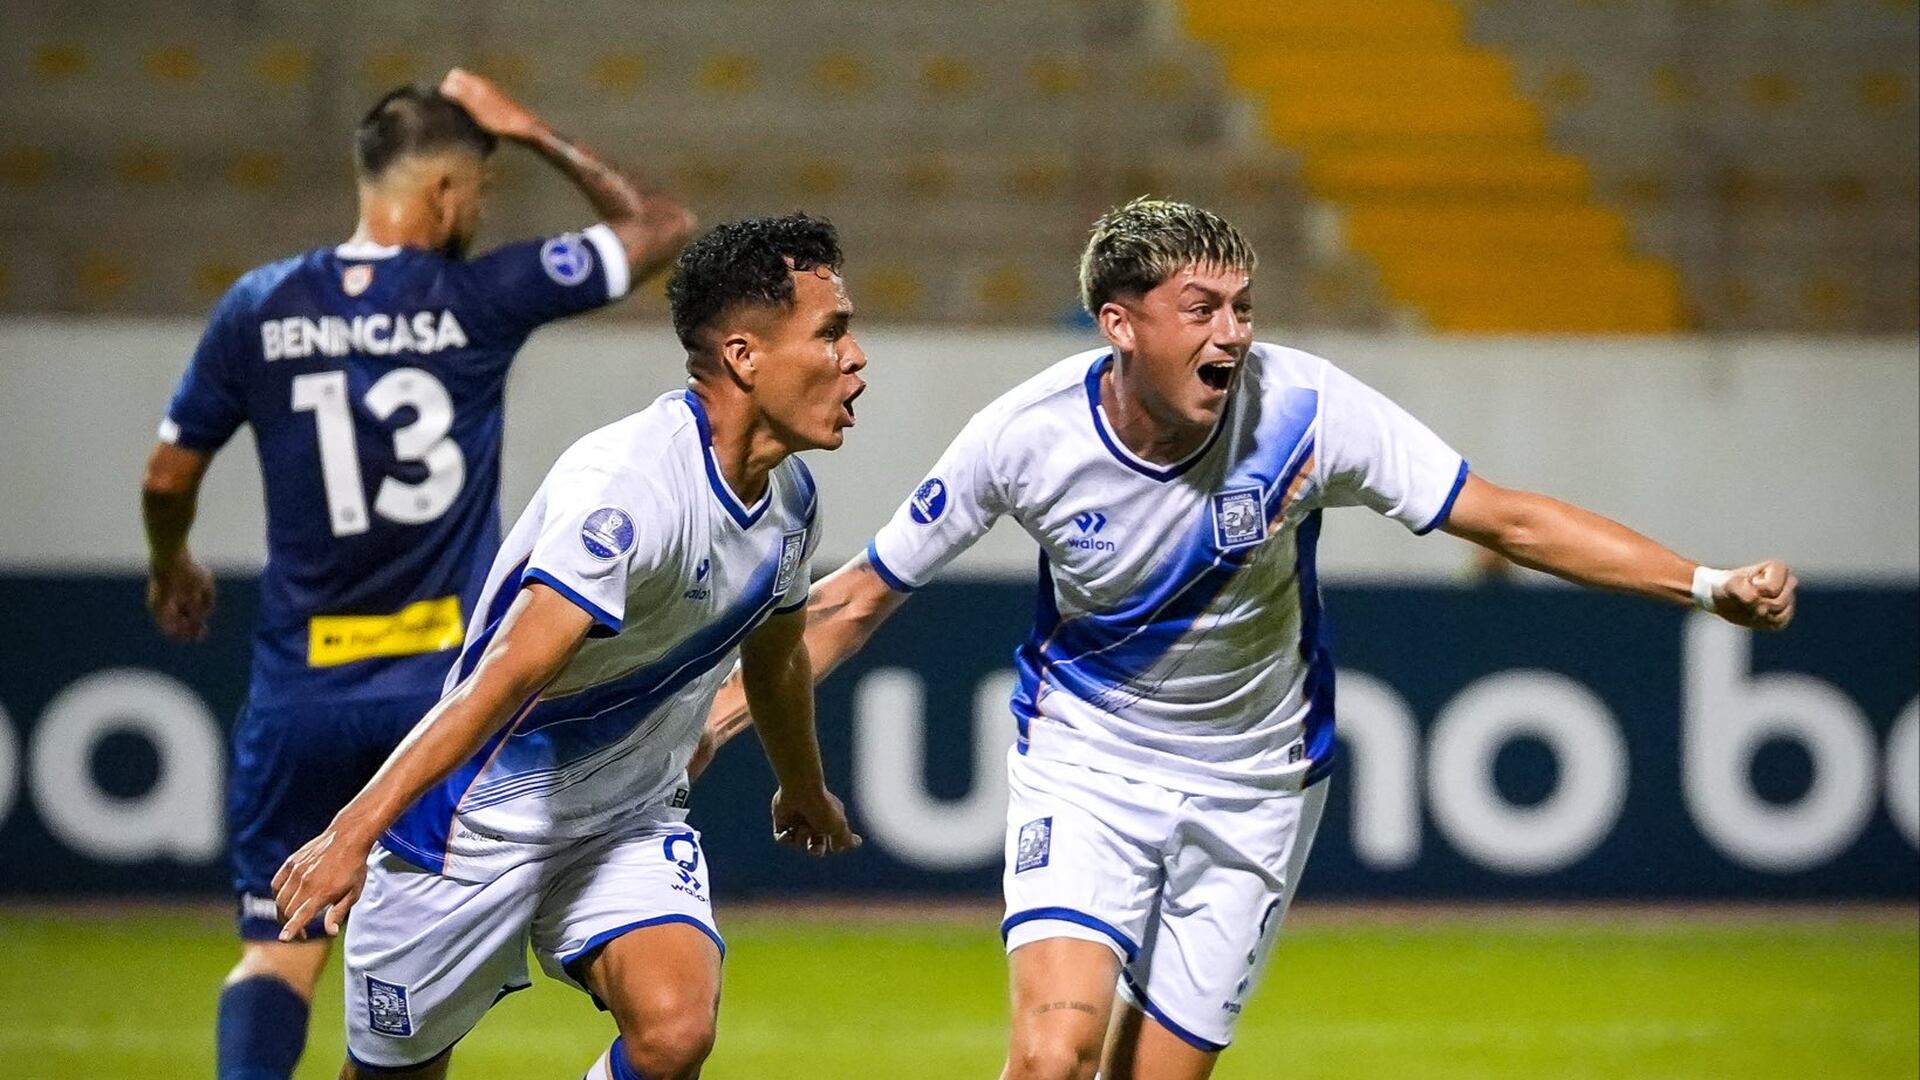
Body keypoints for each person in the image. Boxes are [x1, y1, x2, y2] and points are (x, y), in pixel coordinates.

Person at [696, 197, 1798, 1080]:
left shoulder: (1309, 411)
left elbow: (1505, 518)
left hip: (1257, 788)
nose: (1232, 332)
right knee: (1051, 1057)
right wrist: (705, 734)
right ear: (1120, 325)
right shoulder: (1024, 438)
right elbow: (852, 600)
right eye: (1200, 308)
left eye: (1242, 306)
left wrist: (1705, 586)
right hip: (1088, 768)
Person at [139, 68, 692, 1080]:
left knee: (278, 950)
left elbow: (167, 474)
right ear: (443, 191)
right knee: (419, 1009)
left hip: (303, 688)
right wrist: (531, 131)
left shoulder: (259, 306)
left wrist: (170, 560)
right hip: (446, 705)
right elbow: (662, 227)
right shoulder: (477, 297)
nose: (478, 212)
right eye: (478, 190)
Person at [270, 213, 866, 1080]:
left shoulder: (791, 501)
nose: (855, 359)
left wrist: (802, 786)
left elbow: (774, 661)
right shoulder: (629, 488)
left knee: (674, 1033)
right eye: (832, 333)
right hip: (468, 832)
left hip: (625, 820)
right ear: (744, 356)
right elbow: (509, 673)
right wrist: (353, 830)